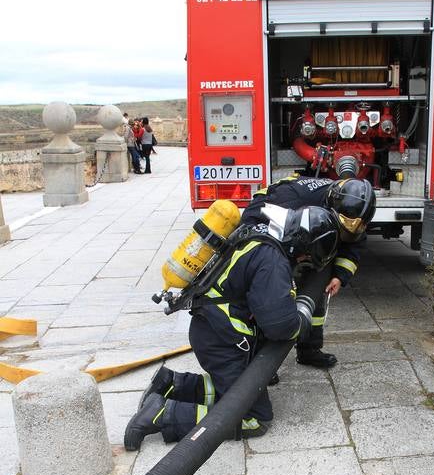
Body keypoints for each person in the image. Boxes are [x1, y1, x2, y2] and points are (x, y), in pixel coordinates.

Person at [123, 205, 339, 450]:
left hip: (213, 332)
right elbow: (280, 326)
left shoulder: (259, 234)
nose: (303, 261)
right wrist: (301, 317)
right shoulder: (272, 261)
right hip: (223, 343)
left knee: (239, 389)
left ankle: (171, 383)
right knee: (255, 418)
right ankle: (162, 413)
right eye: (306, 256)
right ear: (301, 243)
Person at [240, 173, 376, 368]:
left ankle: (309, 351)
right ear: (330, 208)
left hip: (307, 242)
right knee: (271, 300)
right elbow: (251, 221)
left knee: (315, 294)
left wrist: (340, 275)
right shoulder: (294, 198)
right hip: (275, 240)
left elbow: (354, 241)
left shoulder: (353, 211)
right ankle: (261, 360)